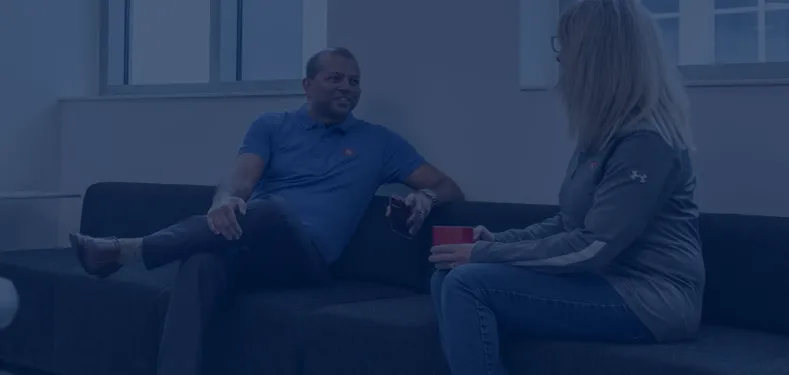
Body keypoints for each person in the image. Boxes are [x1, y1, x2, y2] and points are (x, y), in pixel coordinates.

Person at [69, 47, 464, 375]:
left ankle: (129, 251)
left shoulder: (380, 143)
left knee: (271, 209)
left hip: (307, 260)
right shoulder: (272, 126)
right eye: (336, 78)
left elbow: (448, 185)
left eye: (354, 81)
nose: (347, 87)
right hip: (251, 245)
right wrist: (224, 202)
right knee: (201, 260)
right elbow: (239, 180)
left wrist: (425, 198)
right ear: (308, 86)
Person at [428, 1, 704, 374]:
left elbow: (592, 246)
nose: (559, 60)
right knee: (446, 275)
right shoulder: (603, 135)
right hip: (604, 281)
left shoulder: (646, 142)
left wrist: (484, 255)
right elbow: (569, 224)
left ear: (597, 57)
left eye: (565, 48)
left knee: (467, 283)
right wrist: (499, 242)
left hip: (652, 300)